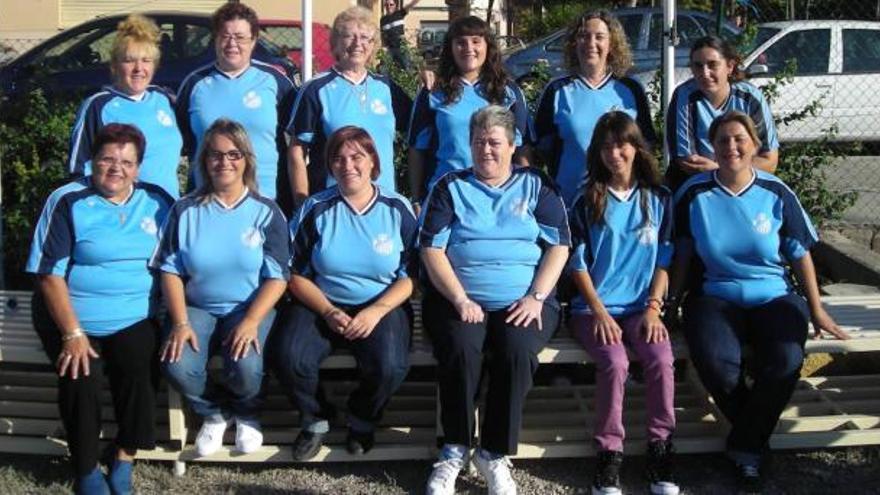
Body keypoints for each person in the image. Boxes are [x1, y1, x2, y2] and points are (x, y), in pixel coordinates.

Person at [672, 111, 849, 492]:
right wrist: (670, 305)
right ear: (712, 147)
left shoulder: (776, 191)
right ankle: (753, 440)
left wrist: (816, 309)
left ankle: (745, 445)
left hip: (773, 295)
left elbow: (800, 253)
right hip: (714, 296)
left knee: (785, 360)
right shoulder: (693, 193)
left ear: (754, 145)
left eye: (740, 139)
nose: (731, 147)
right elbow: (682, 254)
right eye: (722, 140)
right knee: (718, 367)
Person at [420, 106, 570, 495]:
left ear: (512, 145)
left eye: (494, 142)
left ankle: (493, 452)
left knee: (516, 350)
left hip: (525, 299)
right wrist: (459, 297)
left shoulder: (537, 185)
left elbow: (559, 247)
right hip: (459, 298)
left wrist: (537, 297)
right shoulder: (450, 187)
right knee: (461, 347)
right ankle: (454, 447)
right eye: (478, 142)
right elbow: (432, 250)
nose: (486, 150)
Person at [27, 124, 173, 495]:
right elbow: (48, 275)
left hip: (134, 314)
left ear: (138, 168)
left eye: (127, 161)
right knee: (81, 374)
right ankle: (87, 467)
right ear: (92, 161)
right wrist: (72, 333)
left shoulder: (158, 201)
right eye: (107, 158)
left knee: (141, 362)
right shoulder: (66, 199)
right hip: (71, 317)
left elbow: (176, 263)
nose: (116, 168)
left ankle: (124, 455)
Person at [272, 126, 417, 460]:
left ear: (373, 163)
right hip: (321, 301)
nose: (347, 165)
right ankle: (316, 417)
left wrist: (376, 310)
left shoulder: (397, 208)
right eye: (338, 158)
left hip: (381, 303)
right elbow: (293, 274)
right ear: (329, 165)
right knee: (289, 356)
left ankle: (363, 417)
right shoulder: (315, 208)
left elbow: (413, 275)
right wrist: (327, 310)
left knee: (390, 365)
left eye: (357, 156)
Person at [152, 119, 290, 458]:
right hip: (197, 307)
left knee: (245, 364)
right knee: (176, 364)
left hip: (249, 306)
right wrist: (181, 322)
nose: (224, 162)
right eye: (215, 154)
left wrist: (251, 321)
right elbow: (169, 270)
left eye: (233, 154)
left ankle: (247, 412)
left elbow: (278, 277)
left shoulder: (266, 212)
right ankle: (213, 413)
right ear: (203, 160)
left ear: (246, 160)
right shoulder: (184, 210)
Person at [568, 112, 678, 495]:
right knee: (615, 362)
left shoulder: (659, 198)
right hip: (594, 309)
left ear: (636, 147)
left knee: (661, 358)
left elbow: (665, 258)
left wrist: (653, 306)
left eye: (622, 144)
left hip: (641, 307)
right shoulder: (586, 199)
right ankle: (609, 453)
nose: (615, 153)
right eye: (607, 146)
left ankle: (660, 447)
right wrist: (597, 310)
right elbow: (577, 264)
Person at [176, 2, 297, 213]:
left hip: (267, 199)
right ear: (215, 39)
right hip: (206, 203)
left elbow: (296, 143)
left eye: (240, 37)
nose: (232, 44)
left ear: (253, 40)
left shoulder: (276, 82)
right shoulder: (195, 84)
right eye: (225, 36)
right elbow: (183, 143)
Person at [288, 6, 412, 205]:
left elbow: (420, 134)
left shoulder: (387, 88)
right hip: (333, 205)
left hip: (383, 205)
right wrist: (302, 204)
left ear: (373, 46)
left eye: (365, 38)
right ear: (335, 42)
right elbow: (296, 150)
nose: (358, 44)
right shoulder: (316, 89)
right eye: (349, 36)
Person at [407, 15, 530, 212]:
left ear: (487, 46)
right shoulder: (433, 91)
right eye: (460, 43)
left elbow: (522, 149)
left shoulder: (508, 92)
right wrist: (416, 199)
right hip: (445, 195)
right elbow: (417, 149)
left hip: (498, 197)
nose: (468, 48)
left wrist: (525, 193)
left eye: (475, 41)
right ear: (450, 48)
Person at [534, 10, 654, 207]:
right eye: (583, 36)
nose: (591, 43)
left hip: (620, 203)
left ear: (611, 44)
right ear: (574, 43)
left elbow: (645, 148)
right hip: (568, 203)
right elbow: (538, 151)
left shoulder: (630, 90)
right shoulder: (557, 91)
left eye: (599, 37)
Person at [68, 14, 183, 199]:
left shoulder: (163, 99)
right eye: (129, 61)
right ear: (114, 65)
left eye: (146, 61)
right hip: (122, 218)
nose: (139, 68)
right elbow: (78, 170)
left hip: (167, 211)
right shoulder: (97, 106)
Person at [666, 36, 778, 191]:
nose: (705, 73)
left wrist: (718, 169)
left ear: (730, 66)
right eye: (698, 66)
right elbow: (687, 162)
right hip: (697, 185)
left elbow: (769, 161)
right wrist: (732, 169)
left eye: (713, 65)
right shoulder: (684, 96)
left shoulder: (751, 97)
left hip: (745, 185)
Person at [380, 0, 422, 69]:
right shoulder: (383, 20)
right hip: (390, 49)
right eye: (387, 5)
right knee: (385, 69)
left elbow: (410, 5)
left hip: (401, 48)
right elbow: (382, 35)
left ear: (395, 5)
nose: (389, 6)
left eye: (391, 4)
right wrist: (383, 47)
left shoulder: (399, 14)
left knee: (407, 68)